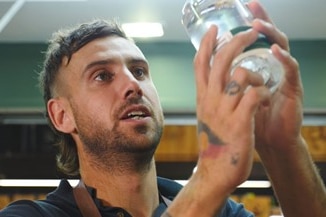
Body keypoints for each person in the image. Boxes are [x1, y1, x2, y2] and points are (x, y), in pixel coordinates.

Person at [1, 0, 325, 216]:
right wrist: (208, 179)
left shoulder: (222, 211)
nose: (133, 85)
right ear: (62, 115)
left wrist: (282, 146)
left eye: (139, 71)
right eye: (102, 76)